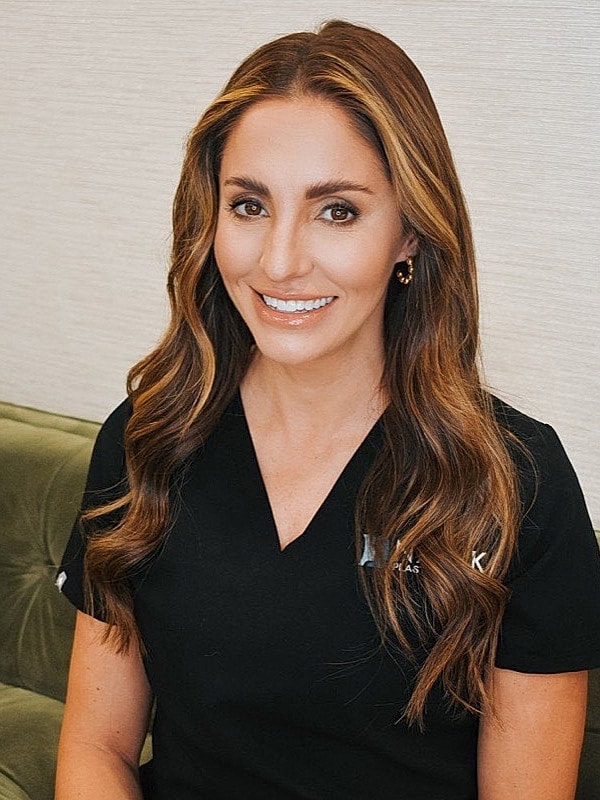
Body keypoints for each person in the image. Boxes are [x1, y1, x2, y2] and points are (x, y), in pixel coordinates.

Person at [55, 19, 600, 800]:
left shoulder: (517, 482)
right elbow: (96, 751)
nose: (279, 260)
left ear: (410, 231)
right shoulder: (148, 440)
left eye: (336, 210)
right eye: (248, 206)